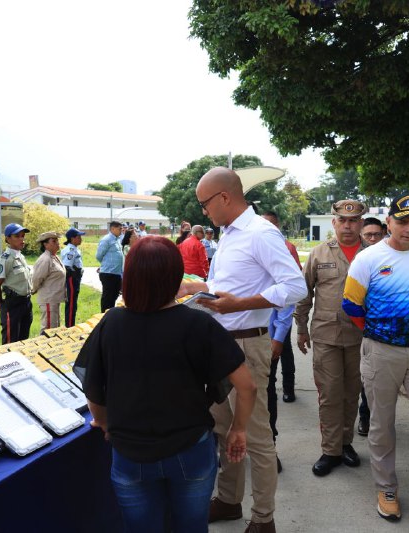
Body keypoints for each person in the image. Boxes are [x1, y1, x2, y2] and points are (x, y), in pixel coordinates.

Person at [81, 236, 257, 532]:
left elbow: (92, 384)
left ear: (131, 275)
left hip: (130, 450)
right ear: (176, 275)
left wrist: (103, 421)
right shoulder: (199, 324)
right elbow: (247, 385)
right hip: (191, 448)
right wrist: (238, 429)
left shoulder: (112, 323)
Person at [179, 167, 307, 533]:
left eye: (205, 203)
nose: (203, 211)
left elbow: (295, 287)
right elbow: (229, 286)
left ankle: (263, 517)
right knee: (225, 428)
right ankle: (230, 500)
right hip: (219, 343)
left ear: (224, 197)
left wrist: (239, 305)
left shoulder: (261, 233)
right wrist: (198, 287)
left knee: (254, 432)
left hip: (247, 343)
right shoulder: (229, 234)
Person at [342, 193, 409, 533]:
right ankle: (387, 489)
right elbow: (352, 306)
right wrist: (379, 333)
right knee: (381, 424)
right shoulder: (368, 258)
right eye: (401, 221)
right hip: (380, 351)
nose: (408, 228)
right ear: (388, 221)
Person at [294, 200, 367, 477]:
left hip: (361, 337)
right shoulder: (318, 253)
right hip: (326, 335)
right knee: (330, 395)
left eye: (353, 221)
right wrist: (301, 328)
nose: (347, 226)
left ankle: (346, 444)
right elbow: (304, 294)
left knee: (351, 394)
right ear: (334, 223)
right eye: (342, 221)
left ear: (361, 223)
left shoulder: (373, 255)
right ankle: (330, 450)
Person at [261, 211, 301, 474]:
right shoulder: (228, 245)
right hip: (231, 335)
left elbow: (289, 291)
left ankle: (268, 446)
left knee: (266, 392)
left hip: (267, 333)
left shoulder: (282, 249)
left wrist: (279, 335)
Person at [357, 216, 385, 436]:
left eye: (377, 234)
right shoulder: (360, 259)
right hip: (359, 325)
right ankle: (364, 416)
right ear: (362, 236)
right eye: (368, 235)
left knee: (375, 378)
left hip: (383, 330)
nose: (373, 238)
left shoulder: (392, 256)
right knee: (363, 377)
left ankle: (371, 417)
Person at [0, 223, 34, 344]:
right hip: (13, 305)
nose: (22, 239)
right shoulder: (5, 259)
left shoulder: (20, 256)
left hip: (26, 303)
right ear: (8, 239)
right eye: (17, 236)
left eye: (23, 236)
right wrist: (2, 303)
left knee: (23, 341)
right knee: (10, 343)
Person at [32, 232, 67, 334]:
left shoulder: (54, 257)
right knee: (48, 331)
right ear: (45, 244)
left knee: (55, 329)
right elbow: (37, 278)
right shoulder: (45, 259)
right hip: (48, 300)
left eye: (57, 240)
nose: (57, 243)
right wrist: (34, 289)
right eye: (54, 241)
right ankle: (43, 349)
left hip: (55, 299)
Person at [96, 221, 124, 312]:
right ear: (112, 229)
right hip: (108, 273)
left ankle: (110, 318)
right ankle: (104, 317)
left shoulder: (117, 240)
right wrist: (106, 265)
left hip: (116, 273)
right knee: (107, 299)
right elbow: (99, 255)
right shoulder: (106, 240)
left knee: (113, 297)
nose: (121, 230)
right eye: (119, 229)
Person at [61, 228, 85, 327]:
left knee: (73, 303)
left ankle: (71, 324)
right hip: (72, 278)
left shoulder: (74, 249)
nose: (81, 239)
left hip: (76, 277)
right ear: (72, 238)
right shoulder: (70, 250)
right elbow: (67, 267)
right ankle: (69, 326)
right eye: (78, 237)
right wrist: (75, 274)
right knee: (71, 303)